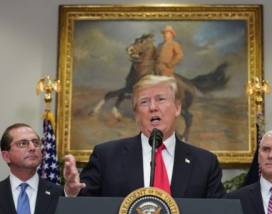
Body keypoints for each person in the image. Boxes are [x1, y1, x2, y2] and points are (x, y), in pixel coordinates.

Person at [64, 74, 225, 198]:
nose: (153, 107)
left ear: (177, 108)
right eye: (144, 102)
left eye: (161, 99)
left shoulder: (205, 163)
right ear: (136, 114)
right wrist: (72, 192)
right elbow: (83, 207)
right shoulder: (106, 156)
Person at [0, 123, 63, 214]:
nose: (32, 147)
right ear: (6, 156)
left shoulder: (60, 194)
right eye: (23, 143)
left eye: (36, 142)